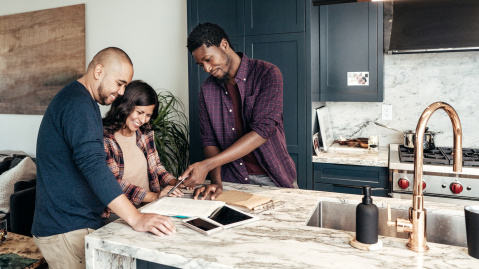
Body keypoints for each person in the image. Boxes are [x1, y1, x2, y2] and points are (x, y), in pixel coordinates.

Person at [32, 47, 176, 269]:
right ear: (98, 71)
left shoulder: (81, 101)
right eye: (119, 83)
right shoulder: (78, 104)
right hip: (67, 228)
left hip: (73, 225)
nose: (121, 92)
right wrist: (136, 218)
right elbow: (94, 166)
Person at [182, 22, 297, 200]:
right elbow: (210, 141)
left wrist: (207, 165)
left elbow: (262, 131)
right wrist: (216, 182)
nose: (207, 69)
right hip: (232, 181)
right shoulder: (207, 90)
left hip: (274, 178)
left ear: (224, 45)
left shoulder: (267, 74)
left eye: (208, 59)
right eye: (200, 65)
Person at [102, 80, 183, 220]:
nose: (143, 120)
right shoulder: (104, 139)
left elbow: (156, 167)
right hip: (118, 216)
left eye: (148, 115)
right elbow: (114, 184)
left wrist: (175, 183)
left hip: (149, 210)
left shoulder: (145, 134)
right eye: (139, 112)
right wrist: (154, 196)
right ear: (125, 106)